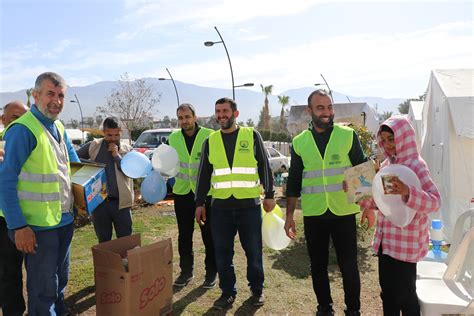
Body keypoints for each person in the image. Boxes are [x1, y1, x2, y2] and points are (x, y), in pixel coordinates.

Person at [0, 72, 80, 315]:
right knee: (43, 291)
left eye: (61, 95)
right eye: (50, 94)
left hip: (63, 221)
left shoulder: (58, 127)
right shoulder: (22, 130)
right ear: (35, 96)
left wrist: (91, 191)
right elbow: (5, 181)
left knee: (59, 285)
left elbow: (75, 168)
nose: (56, 100)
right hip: (37, 227)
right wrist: (18, 227)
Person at [284, 89, 369, 316]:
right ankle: (324, 308)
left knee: (349, 266)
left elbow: (363, 169)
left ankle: (353, 310)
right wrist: (289, 216)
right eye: (320, 107)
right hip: (314, 214)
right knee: (318, 266)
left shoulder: (347, 135)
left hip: (343, 211)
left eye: (329, 107)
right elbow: (293, 180)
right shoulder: (299, 142)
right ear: (309, 111)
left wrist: (368, 206)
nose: (327, 112)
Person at [195, 97, 275, 310]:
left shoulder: (251, 135)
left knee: (253, 252)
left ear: (235, 113)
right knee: (222, 253)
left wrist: (269, 194)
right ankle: (227, 293)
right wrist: (200, 202)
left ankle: (257, 290)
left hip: (249, 207)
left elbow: (264, 166)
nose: (221, 115)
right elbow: (203, 174)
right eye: (218, 111)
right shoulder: (210, 141)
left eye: (225, 111)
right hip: (220, 208)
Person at [358, 116, 440, 315]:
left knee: (406, 297)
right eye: (383, 139)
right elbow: (384, 203)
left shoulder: (417, 166)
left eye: (391, 139)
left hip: (406, 245)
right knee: (388, 294)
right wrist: (357, 193)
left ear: (404, 138)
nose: (387, 144)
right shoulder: (386, 166)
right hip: (386, 243)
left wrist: (408, 192)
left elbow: (435, 202)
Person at [167, 103, 217, 288]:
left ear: (195, 117)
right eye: (180, 118)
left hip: (205, 195)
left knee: (208, 235)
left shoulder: (210, 136)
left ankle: (211, 273)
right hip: (182, 194)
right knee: (184, 235)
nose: (184, 121)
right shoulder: (172, 138)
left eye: (187, 117)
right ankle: (186, 271)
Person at [76, 117, 134, 242]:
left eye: (116, 135)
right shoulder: (94, 146)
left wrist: (116, 156)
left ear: (121, 132)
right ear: (103, 132)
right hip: (100, 204)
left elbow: (131, 172)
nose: (113, 139)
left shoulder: (127, 150)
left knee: (126, 242)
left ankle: (125, 262)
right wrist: (89, 166)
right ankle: (107, 262)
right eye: (109, 135)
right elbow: (74, 158)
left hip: (121, 204)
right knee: (104, 242)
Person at [0, 101, 28, 316]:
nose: (18, 123)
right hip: (4, 220)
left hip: (31, 217)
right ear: (3, 120)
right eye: (13, 118)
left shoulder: (29, 142)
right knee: (9, 273)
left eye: (22, 118)